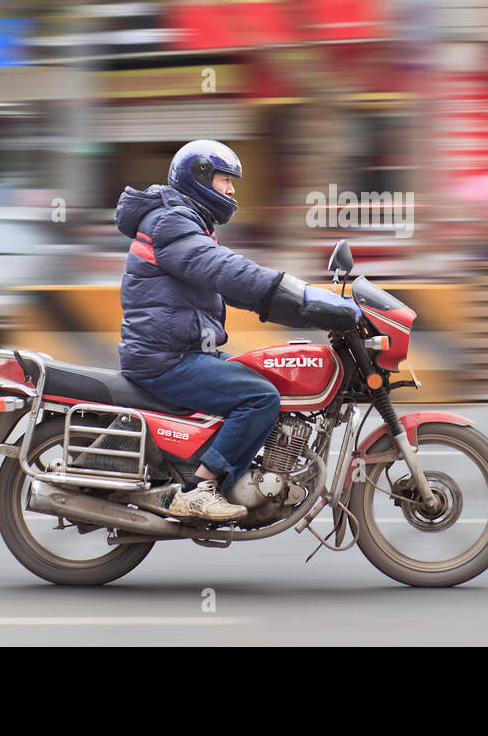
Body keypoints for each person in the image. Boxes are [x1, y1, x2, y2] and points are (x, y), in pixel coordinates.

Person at [115, 139, 360, 522]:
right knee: (260, 397)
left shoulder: (185, 220)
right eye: (224, 179)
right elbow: (229, 273)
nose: (231, 190)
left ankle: (230, 472)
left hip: (184, 351)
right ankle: (199, 490)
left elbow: (229, 281)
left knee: (268, 376)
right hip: (166, 358)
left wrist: (305, 304)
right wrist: (304, 300)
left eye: (233, 182)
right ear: (198, 177)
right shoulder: (171, 222)